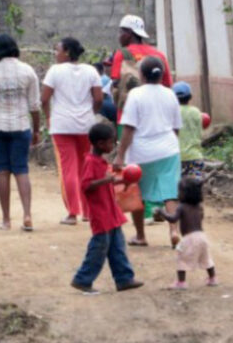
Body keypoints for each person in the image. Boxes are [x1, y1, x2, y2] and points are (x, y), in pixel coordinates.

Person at [114, 56, 182, 247]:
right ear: (161, 75)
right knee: (170, 192)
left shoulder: (135, 95)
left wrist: (120, 155)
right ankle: (174, 231)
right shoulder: (170, 94)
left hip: (141, 152)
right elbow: (176, 127)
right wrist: (171, 144)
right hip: (168, 149)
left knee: (137, 194)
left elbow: (128, 128)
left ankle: (141, 235)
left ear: (141, 75)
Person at [0, 34, 41, 231]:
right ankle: (27, 215)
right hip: (21, 125)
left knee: (3, 171)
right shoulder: (28, 71)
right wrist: (36, 130)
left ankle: (6, 219)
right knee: (21, 170)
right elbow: (34, 106)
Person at [71, 122, 144, 294]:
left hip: (111, 212)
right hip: (100, 214)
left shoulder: (101, 161)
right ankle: (83, 279)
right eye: (112, 142)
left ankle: (124, 279)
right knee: (98, 248)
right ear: (100, 143)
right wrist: (106, 180)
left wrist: (123, 180)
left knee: (117, 247)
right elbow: (86, 185)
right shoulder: (90, 162)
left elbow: (107, 182)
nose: (113, 146)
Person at [41, 37, 103, 226]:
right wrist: (90, 113)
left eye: (57, 50)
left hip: (62, 124)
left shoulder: (55, 71)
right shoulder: (91, 70)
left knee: (68, 168)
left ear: (67, 52)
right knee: (86, 167)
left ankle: (72, 212)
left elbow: (44, 99)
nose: (55, 54)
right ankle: (87, 211)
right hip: (86, 125)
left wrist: (48, 117)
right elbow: (99, 98)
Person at [154, 177, 218, 289]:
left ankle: (181, 282)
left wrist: (162, 212)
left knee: (182, 259)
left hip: (189, 238)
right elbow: (200, 218)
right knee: (206, 258)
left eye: (180, 191)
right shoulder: (199, 207)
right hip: (202, 236)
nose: (178, 194)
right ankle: (212, 278)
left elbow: (173, 219)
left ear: (185, 193)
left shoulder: (182, 207)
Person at [110, 15, 173, 91]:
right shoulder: (159, 55)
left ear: (129, 33)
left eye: (121, 32)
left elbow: (116, 84)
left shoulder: (121, 54)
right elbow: (167, 84)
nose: (119, 36)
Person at [173, 82, 205, 177]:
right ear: (190, 97)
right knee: (194, 188)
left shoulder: (173, 112)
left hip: (176, 158)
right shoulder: (196, 112)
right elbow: (199, 134)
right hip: (195, 157)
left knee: (178, 188)